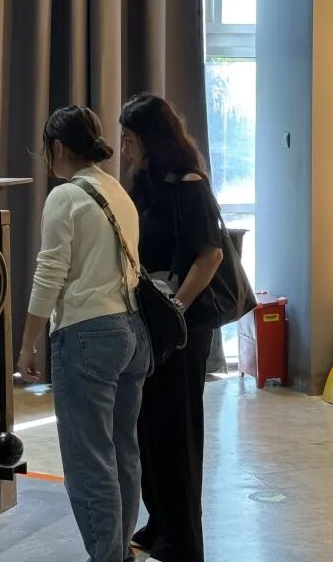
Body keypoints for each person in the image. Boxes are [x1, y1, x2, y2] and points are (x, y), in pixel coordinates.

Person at [17, 105, 151, 562]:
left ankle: (107, 557)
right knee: (122, 451)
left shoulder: (66, 197)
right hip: (131, 331)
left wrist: (28, 342)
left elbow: (49, 275)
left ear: (57, 147)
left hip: (86, 335)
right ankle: (120, 552)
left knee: (88, 459)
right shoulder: (117, 191)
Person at [120, 94, 224, 562]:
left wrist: (177, 308)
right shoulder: (147, 183)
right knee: (149, 428)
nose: (124, 149)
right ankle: (159, 521)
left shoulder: (189, 185)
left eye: (130, 139)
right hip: (153, 323)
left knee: (177, 432)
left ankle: (182, 540)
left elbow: (210, 255)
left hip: (183, 327)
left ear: (151, 139)